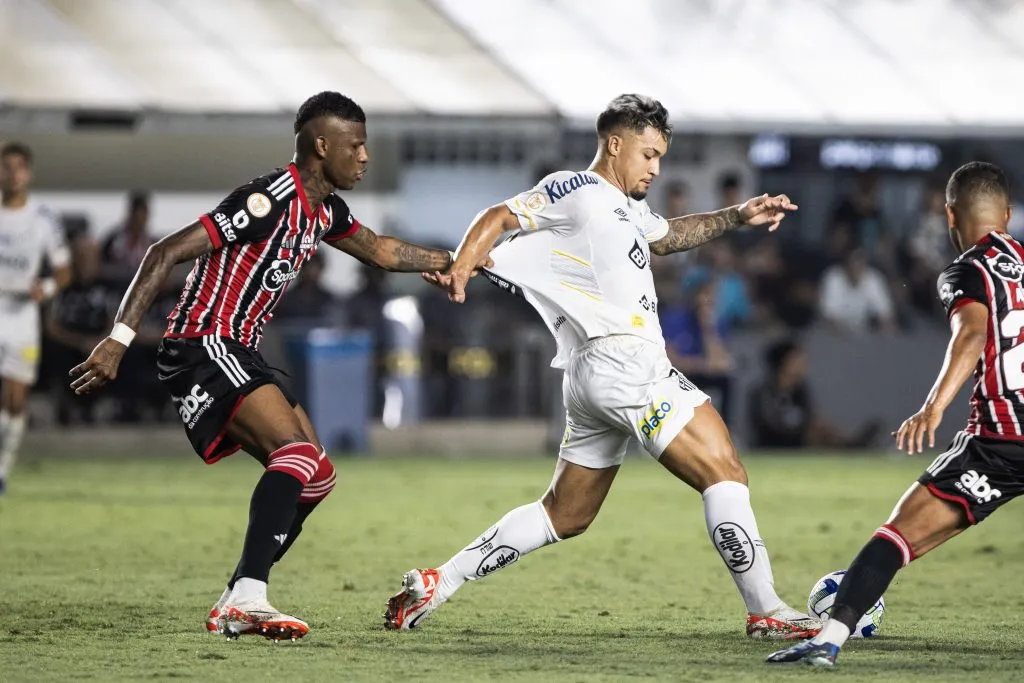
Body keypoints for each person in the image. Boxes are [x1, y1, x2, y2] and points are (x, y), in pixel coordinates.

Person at [384, 94, 820, 639]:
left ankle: (437, 582)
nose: (656, 168)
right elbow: (499, 215)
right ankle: (767, 611)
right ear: (615, 145)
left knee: (565, 515)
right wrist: (462, 267)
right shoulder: (579, 188)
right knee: (725, 472)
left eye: (661, 156)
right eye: (648, 154)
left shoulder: (628, 207)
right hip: (625, 361)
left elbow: (669, 238)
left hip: (592, 377)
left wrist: (738, 215)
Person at [69, 91, 474, 641]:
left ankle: (236, 596)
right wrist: (117, 339)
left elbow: (379, 251)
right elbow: (164, 251)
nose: (364, 157)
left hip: (240, 349)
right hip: (203, 342)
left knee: (318, 476)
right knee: (297, 454)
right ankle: (251, 596)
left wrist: (456, 261)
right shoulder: (267, 199)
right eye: (355, 146)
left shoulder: (325, 209)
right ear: (320, 145)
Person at [768, 161, 1024, 667]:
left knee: (896, 535)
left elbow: (971, 335)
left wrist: (933, 406)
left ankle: (828, 640)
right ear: (1009, 214)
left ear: (950, 216)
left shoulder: (967, 269)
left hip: (999, 441)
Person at [0, 142, 71, 494]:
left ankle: (3, 469)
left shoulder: (42, 218)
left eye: (18, 167)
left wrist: (46, 287)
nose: (12, 174)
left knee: (15, 400)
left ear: (27, 173)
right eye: (5, 167)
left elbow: (63, 270)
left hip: (22, 318)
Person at [749, 339, 878, 450]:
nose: (804, 363)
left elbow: (808, 414)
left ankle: (850, 444)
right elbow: (767, 423)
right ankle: (851, 445)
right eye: (798, 359)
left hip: (800, 437)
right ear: (785, 362)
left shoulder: (800, 391)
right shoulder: (765, 391)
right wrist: (799, 428)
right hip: (775, 441)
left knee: (819, 427)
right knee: (816, 429)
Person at [818, 247, 896, 334]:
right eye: (853, 260)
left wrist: (884, 328)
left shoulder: (874, 278)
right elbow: (827, 319)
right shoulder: (833, 277)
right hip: (836, 336)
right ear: (845, 262)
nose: (856, 265)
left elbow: (886, 315)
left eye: (860, 260)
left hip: (865, 335)